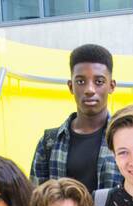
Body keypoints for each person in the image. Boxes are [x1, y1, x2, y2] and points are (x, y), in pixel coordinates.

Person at [30, 43, 122, 194]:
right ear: (71, 86)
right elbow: (36, 205)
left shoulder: (125, 140)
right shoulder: (49, 143)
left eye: (99, 81)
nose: (89, 90)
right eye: (80, 81)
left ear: (111, 86)